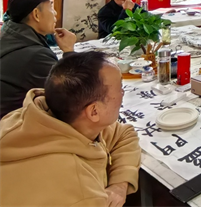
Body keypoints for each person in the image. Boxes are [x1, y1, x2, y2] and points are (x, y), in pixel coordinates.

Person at [0, 51, 141, 207]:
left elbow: (124, 134)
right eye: (120, 89)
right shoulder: (79, 191)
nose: (122, 95)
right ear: (94, 111)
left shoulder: (41, 117)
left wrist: (119, 185)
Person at [0, 0, 76, 119]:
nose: (55, 13)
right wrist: (69, 51)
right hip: (12, 126)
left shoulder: (9, 34)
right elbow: (75, 95)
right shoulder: (36, 56)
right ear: (36, 14)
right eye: (51, 6)